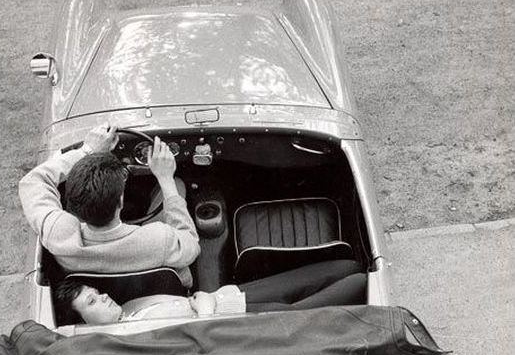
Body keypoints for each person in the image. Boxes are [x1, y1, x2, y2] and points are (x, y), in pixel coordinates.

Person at [19, 123, 200, 287]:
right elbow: (191, 243)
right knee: (177, 185)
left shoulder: (58, 235)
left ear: (71, 205)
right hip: (158, 296)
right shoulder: (160, 240)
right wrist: (165, 178)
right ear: (121, 201)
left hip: (96, 299)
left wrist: (86, 151)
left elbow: (33, 181)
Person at [55, 260, 367, 324]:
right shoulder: (125, 338)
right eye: (92, 301)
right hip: (239, 320)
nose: (104, 296)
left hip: (232, 296)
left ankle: (360, 269)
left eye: (97, 291)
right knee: (358, 283)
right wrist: (203, 309)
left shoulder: (130, 307)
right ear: (84, 323)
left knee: (345, 266)